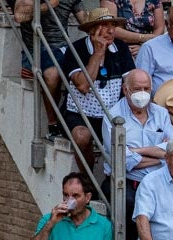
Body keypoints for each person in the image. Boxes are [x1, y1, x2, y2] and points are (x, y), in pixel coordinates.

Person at [60, 10, 136, 170]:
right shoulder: (76, 49)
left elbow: (131, 81)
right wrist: (98, 52)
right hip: (80, 113)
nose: (110, 31)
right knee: (81, 136)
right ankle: (87, 178)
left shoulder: (120, 48)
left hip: (112, 113)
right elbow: (83, 86)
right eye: (104, 26)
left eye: (113, 26)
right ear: (92, 30)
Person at [11, 0, 90, 137]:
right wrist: (48, 5)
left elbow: (85, 21)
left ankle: (86, 123)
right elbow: (19, 16)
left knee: (87, 71)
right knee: (53, 74)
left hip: (62, 48)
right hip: (35, 48)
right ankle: (53, 123)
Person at [107, 69, 173, 193]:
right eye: (137, 89)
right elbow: (122, 160)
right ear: (125, 90)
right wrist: (162, 157)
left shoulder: (161, 113)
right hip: (127, 182)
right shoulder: (113, 116)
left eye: (146, 89)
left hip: (159, 181)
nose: (142, 93)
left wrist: (136, 151)